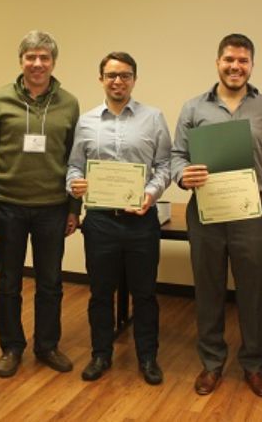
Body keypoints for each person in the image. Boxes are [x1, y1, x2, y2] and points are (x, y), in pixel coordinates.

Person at [170, 33, 262, 398]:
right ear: (218, 62)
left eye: (243, 61)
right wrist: (182, 174)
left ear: (251, 65)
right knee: (208, 289)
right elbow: (177, 155)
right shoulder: (193, 108)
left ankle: (254, 364)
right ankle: (212, 363)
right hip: (205, 210)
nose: (235, 66)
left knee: (252, 291)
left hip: (252, 212)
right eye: (229, 60)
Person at [66, 52, 171, 385]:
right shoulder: (86, 121)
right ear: (101, 79)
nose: (117, 81)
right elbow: (73, 166)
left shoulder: (153, 118)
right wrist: (74, 183)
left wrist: (150, 194)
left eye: (125, 75)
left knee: (144, 293)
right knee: (99, 293)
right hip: (99, 221)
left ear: (134, 80)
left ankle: (147, 357)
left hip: (140, 220)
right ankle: (101, 354)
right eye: (111, 75)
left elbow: (165, 166)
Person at [0, 30, 80, 378]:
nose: (37, 64)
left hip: (52, 207)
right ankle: (11, 347)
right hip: (8, 205)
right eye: (31, 57)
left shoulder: (69, 103)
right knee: (8, 282)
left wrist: (74, 208)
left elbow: (75, 161)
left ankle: (47, 345)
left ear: (53, 62)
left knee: (50, 281)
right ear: (21, 60)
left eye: (44, 57)